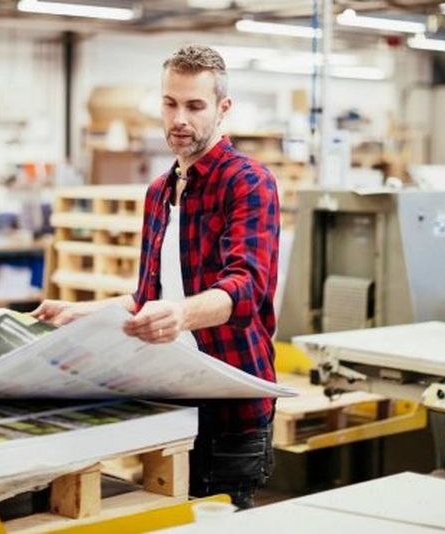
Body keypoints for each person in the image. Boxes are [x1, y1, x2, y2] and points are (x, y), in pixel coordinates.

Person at [32, 44, 280, 509]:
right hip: (170, 397)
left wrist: (180, 315)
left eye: (194, 105)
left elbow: (246, 290)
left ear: (223, 109)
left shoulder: (248, 183)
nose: (179, 118)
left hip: (230, 405)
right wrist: (79, 311)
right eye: (170, 103)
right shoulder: (158, 192)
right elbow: (149, 296)